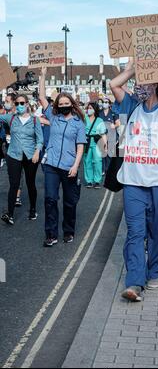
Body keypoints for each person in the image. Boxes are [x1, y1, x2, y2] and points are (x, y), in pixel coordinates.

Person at [110, 59, 158, 302]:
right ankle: (134, 282)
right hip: (133, 181)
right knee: (134, 232)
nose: (139, 86)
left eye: (144, 81)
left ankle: (154, 271)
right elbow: (114, 84)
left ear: (155, 84)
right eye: (137, 82)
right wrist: (131, 69)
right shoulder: (131, 106)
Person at [39, 68, 87, 247]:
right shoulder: (53, 116)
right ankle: (51, 234)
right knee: (50, 199)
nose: (64, 105)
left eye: (67, 102)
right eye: (61, 103)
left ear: (72, 104)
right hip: (51, 165)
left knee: (69, 202)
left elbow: (80, 146)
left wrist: (75, 166)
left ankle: (68, 231)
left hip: (69, 167)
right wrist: (43, 76)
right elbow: (42, 97)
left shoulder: (78, 123)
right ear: (57, 105)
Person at [0, 94, 44, 225]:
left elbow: (40, 139)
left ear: (27, 104)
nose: (20, 105)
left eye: (22, 103)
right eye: (17, 103)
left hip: (31, 156)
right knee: (14, 185)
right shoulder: (11, 118)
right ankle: (10, 214)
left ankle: (33, 209)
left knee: (30, 184)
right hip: (13, 155)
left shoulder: (35, 120)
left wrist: (37, 152)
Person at [84, 102, 108, 188]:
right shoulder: (84, 119)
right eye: (88, 108)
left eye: (91, 108)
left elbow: (103, 134)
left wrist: (105, 146)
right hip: (86, 142)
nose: (89, 110)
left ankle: (97, 180)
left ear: (95, 110)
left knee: (98, 161)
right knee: (87, 162)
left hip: (97, 142)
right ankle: (89, 181)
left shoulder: (99, 120)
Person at [99, 98, 118, 175]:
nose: (104, 103)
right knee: (102, 153)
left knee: (110, 154)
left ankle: (108, 170)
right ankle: (102, 170)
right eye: (103, 102)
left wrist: (115, 125)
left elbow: (118, 123)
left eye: (106, 102)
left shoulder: (113, 113)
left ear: (109, 104)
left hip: (111, 136)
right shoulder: (99, 113)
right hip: (101, 136)